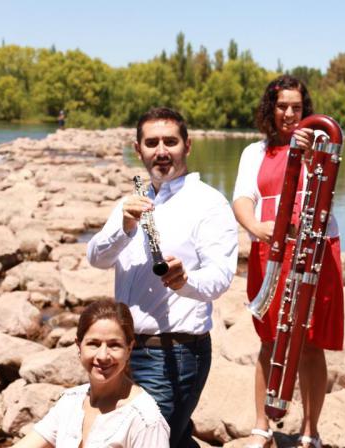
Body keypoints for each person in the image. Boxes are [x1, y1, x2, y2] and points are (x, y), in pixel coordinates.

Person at [87, 107, 238, 448]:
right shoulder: (133, 201)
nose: (161, 151)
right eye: (151, 142)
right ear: (137, 148)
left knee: (147, 440)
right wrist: (124, 228)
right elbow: (97, 258)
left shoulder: (209, 204)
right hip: (123, 350)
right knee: (173, 438)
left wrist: (185, 281)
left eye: (170, 141)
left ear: (188, 146)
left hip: (175, 353)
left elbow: (220, 278)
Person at [232, 75, 344, 448]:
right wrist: (255, 228)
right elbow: (242, 200)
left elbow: (326, 188)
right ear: (271, 109)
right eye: (282, 106)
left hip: (315, 251)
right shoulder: (254, 151)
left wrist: (311, 151)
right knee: (269, 339)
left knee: (311, 343)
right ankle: (262, 426)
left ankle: (310, 431)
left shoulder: (323, 146)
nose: (290, 114)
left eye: (297, 107)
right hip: (272, 250)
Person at [14, 300, 170, 448]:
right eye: (93, 344)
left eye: (114, 345)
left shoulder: (145, 421)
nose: (102, 356)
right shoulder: (70, 402)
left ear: (129, 349)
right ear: (79, 346)